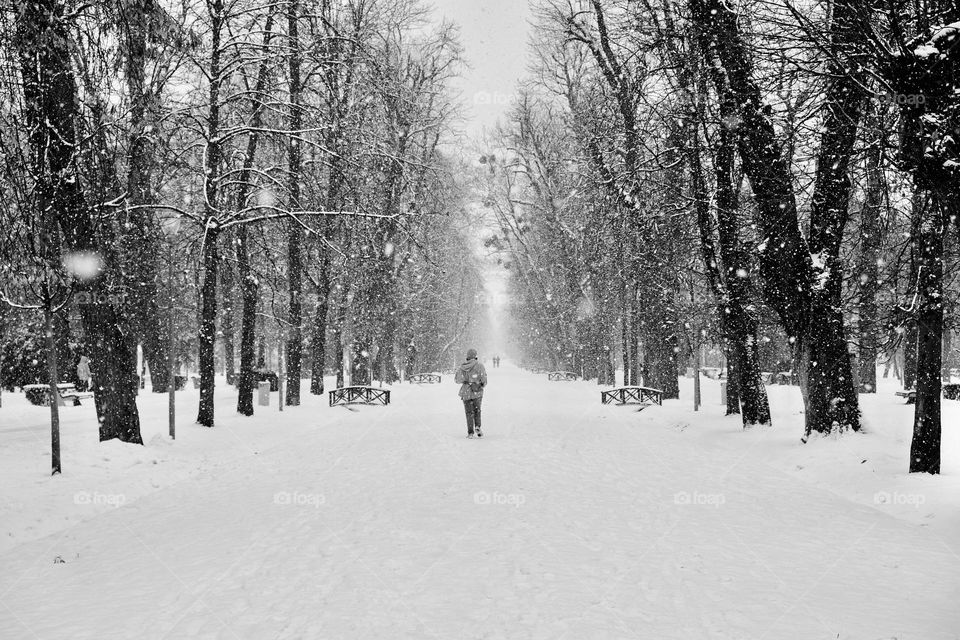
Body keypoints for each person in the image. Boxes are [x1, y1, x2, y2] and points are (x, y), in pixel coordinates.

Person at [455, 348, 487, 438]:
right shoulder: (480, 366)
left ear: (467, 357)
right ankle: (477, 426)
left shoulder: (462, 367)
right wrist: (480, 384)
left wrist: (466, 381)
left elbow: (457, 380)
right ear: (476, 356)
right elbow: (484, 380)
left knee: (469, 412)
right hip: (477, 392)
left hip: (466, 392)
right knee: (477, 410)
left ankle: (470, 433)